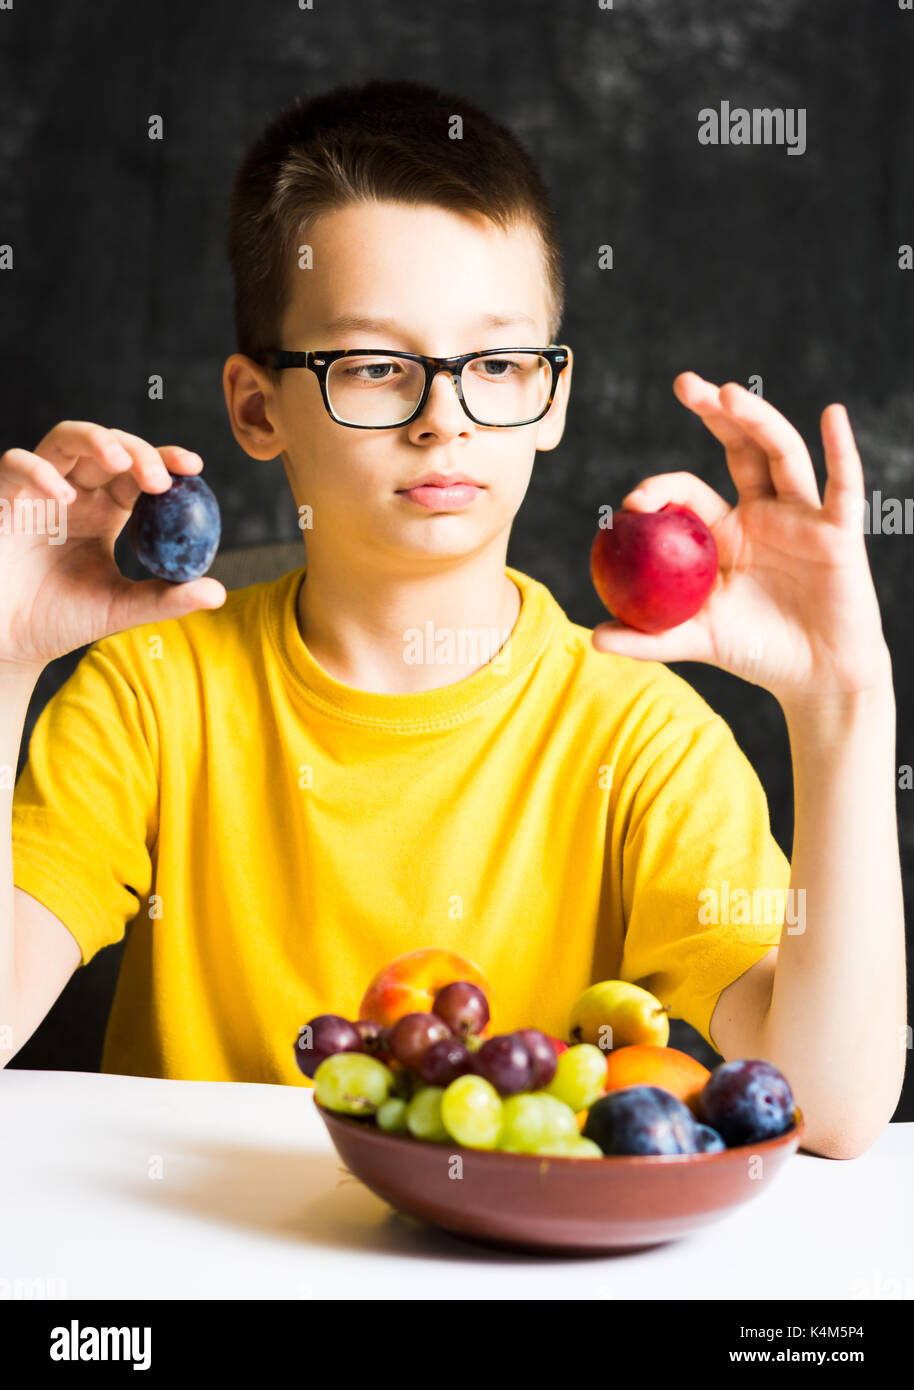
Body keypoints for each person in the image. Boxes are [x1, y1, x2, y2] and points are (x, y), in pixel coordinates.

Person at [2, 80, 904, 1160]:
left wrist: (841, 704)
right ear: (257, 407)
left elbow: (832, 1105)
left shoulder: (639, 740)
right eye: (376, 367)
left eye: (494, 364)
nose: (444, 419)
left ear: (553, 395)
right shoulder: (150, 693)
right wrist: (3, 659)